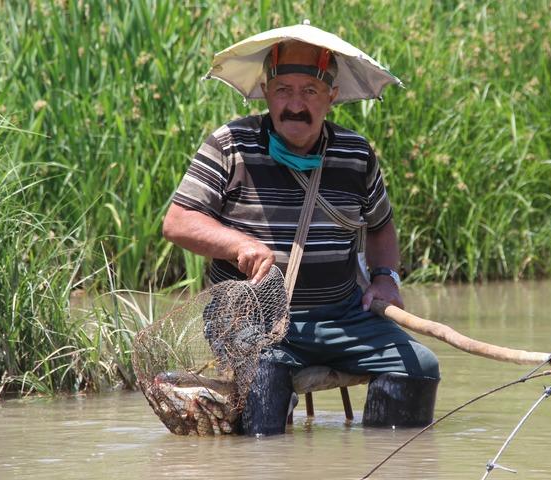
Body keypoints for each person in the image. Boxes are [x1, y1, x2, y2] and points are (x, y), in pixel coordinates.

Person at [163, 39, 439, 436]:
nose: (295, 104)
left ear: (332, 96)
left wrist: (385, 279)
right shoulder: (230, 145)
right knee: (265, 371)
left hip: (341, 316)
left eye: (309, 91)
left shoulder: (356, 155)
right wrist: (238, 243)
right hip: (249, 319)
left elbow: (381, 227)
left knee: (419, 366)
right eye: (283, 91)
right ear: (266, 94)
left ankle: (385, 461)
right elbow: (178, 221)